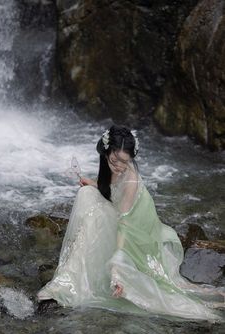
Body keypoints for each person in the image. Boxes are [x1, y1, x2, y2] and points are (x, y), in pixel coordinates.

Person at [37, 125, 225, 321]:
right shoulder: (108, 164)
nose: (118, 166)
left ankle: (74, 278)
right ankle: (69, 275)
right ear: (107, 151)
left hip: (135, 228)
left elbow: (125, 223)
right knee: (86, 193)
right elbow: (110, 188)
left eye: (124, 162)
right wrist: (92, 183)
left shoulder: (131, 180)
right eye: (114, 160)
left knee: (95, 214)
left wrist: (117, 267)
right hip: (120, 213)